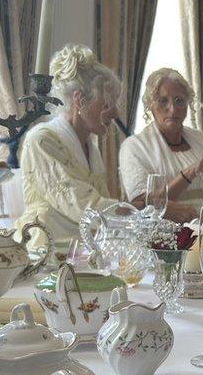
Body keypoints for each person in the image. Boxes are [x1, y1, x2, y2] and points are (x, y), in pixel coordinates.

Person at [17, 44, 124, 248]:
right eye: (107, 104)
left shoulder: (91, 147)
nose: (115, 114)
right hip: (46, 254)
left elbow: (102, 214)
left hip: (87, 254)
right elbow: (83, 206)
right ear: (80, 100)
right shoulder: (41, 140)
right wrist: (136, 214)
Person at [118, 68, 203, 222]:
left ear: (188, 104)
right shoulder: (134, 147)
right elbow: (142, 204)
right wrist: (192, 171)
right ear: (150, 105)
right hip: (163, 232)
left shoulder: (197, 137)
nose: (173, 109)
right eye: (163, 101)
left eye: (179, 101)